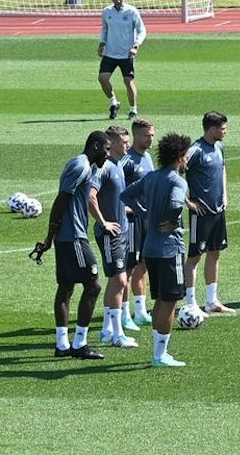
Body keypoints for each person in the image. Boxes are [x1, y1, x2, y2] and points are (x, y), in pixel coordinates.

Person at [32, 130, 121, 360]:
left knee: (67, 287)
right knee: (94, 286)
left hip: (69, 236)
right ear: (95, 147)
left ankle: (62, 345)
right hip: (73, 237)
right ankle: (79, 343)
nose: (108, 155)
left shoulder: (86, 166)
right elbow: (61, 199)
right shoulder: (80, 166)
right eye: (106, 150)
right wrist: (49, 238)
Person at [121, 131, 194, 367]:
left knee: (160, 301)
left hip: (149, 248)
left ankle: (158, 352)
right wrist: (173, 220)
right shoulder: (177, 181)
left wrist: (143, 213)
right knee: (169, 301)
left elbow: (126, 194)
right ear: (180, 157)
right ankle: (160, 355)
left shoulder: (151, 177)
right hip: (169, 249)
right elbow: (175, 204)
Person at [182, 111, 234, 314]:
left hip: (218, 210)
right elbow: (175, 172)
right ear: (211, 129)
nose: (225, 131)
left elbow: (222, 169)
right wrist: (188, 201)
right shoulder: (195, 150)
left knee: (215, 253)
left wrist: (225, 195)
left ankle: (212, 301)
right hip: (201, 213)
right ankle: (191, 302)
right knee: (195, 257)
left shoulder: (219, 147)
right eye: (222, 128)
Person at [93, 125, 137, 349]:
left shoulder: (119, 165)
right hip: (110, 234)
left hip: (123, 231)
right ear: (111, 143)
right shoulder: (105, 167)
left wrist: (127, 210)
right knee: (120, 280)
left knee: (116, 280)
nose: (127, 144)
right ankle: (117, 333)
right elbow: (91, 197)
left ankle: (107, 330)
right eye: (123, 141)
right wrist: (103, 223)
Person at [120, 117, 155, 329]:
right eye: (146, 135)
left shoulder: (147, 157)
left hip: (145, 220)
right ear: (135, 135)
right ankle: (123, 314)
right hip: (131, 221)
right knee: (128, 267)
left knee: (143, 264)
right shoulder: (126, 161)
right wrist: (130, 209)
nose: (150, 139)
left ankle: (140, 311)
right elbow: (115, 193)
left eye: (152, 135)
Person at [97, 0, 146, 120]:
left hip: (126, 54)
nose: (118, 0)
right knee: (102, 78)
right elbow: (104, 29)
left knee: (128, 81)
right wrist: (102, 42)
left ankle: (133, 110)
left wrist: (136, 46)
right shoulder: (107, 11)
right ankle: (114, 102)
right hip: (110, 53)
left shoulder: (132, 11)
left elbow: (142, 30)